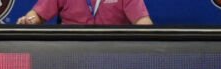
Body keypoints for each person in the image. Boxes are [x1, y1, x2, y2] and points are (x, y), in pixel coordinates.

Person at [16, 0, 150, 23]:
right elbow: (36, 15)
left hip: (114, 53)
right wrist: (29, 20)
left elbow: (144, 25)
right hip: (71, 53)